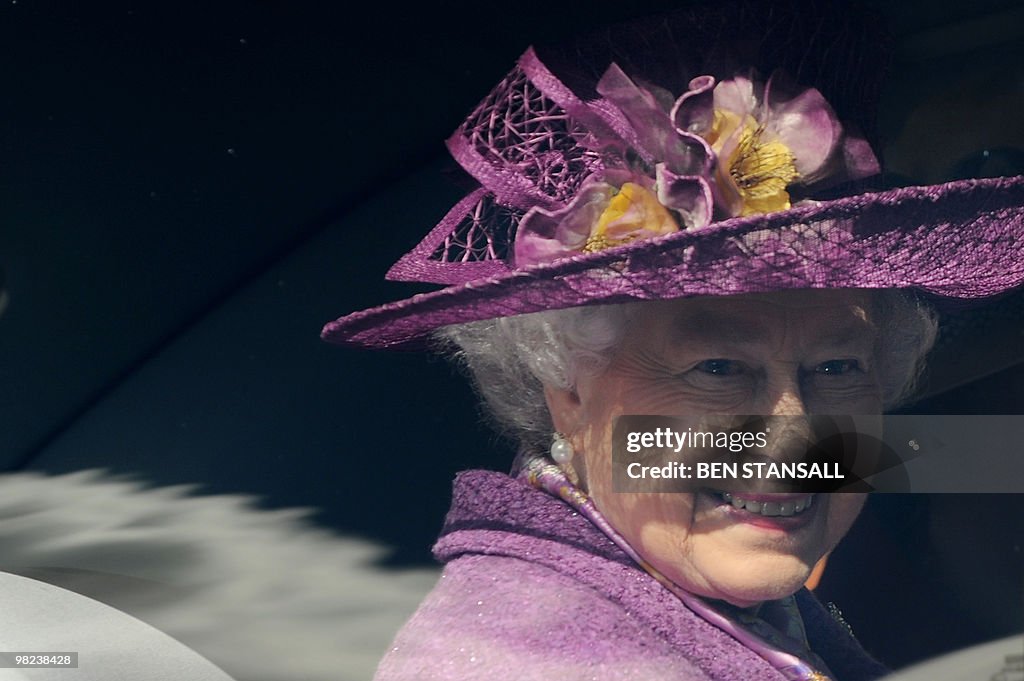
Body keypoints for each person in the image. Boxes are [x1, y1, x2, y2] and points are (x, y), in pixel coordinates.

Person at [320, 3, 1024, 679]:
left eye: (837, 365)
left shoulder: (715, 597)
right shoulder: (530, 658)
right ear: (567, 387)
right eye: (718, 368)